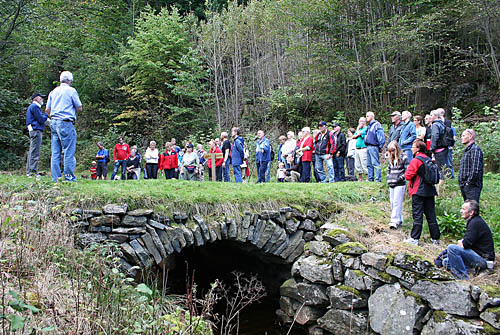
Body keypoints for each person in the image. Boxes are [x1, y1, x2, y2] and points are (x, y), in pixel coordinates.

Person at [438, 200, 495, 280]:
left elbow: (465, 245)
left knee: (452, 248)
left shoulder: (475, 223)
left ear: (471, 212)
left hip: (484, 260)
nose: (461, 211)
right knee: (446, 262)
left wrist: (460, 242)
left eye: (464, 209)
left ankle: (463, 278)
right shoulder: (474, 221)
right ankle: (473, 271)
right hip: (477, 258)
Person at [46, 71, 82, 182]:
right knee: (68, 151)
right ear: (70, 81)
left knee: (55, 152)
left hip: (53, 122)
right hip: (66, 122)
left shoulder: (53, 91)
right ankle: (69, 177)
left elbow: (47, 110)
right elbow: (79, 107)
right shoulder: (71, 91)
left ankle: (55, 178)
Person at [404, 139, 440, 246]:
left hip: (418, 191)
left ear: (418, 149)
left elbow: (408, 175)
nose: (411, 148)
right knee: (431, 215)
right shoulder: (428, 159)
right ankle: (435, 238)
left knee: (417, 214)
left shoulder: (416, 160)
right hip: (430, 191)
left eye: (413, 146)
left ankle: (414, 238)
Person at [386, 141, 409, 229]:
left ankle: (394, 221)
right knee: (392, 202)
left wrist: (400, 178)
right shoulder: (390, 159)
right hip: (391, 182)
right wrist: (388, 178)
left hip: (400, 183)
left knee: (397, 201)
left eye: (393, 150)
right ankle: (399, 219)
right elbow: (389, 170)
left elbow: (407, 171)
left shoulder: (404, 157)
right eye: (390, 151)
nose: (392, 152)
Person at [26, 92, 48, 179]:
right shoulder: (35, 107)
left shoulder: (31, 107)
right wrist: (46, 114)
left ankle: (29, 171)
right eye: (40, 98)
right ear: (35, 99)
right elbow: (41, 119)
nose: (42, 99)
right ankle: (32, 172)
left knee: (32, 151)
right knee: (35, 151)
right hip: (36, 130)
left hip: (33, 130)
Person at [459, 129, 483, 203]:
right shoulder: (467, 151)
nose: (461, 138)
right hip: (464, 185)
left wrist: (469, 183)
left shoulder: (475, 149)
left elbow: (476, 169)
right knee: (467, 208)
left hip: (472, 186)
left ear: (470, 136)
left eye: (463, 135)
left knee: (472, 208)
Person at [364, 112, 385, 182]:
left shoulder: (377, 125)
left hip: (374, 146)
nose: (366, 117)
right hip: (368, 146)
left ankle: (378, 179)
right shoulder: (369, 126)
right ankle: (370, 179)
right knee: (369, 164)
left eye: (367, 116)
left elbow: (381, 136)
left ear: (372, 116)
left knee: (375, 163)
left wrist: (380, 146)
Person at [430, 109, 449, 180]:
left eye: (431, 115)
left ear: (435, 116)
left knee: (440, 168)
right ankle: (445, 182)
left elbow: (435, 136)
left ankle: (441, 185)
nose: (430, 117)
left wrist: (432, 148)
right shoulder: (442, 123)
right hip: (444, 148)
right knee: (444, 167)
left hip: (438, 150)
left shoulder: (435, 125)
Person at [352, 117, 368, 181]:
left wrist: (358, 129)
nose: (360, 123)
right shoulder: (359, 129)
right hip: (357, 148)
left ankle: (367, 178)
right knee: (357, 164)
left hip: (363, 148)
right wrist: (358, 129)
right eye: (359, 121)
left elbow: (358, 134)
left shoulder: (366, 128)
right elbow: (353, 136)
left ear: (365, 122)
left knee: (364, 163)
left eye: (362, 121)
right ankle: (360, 178)